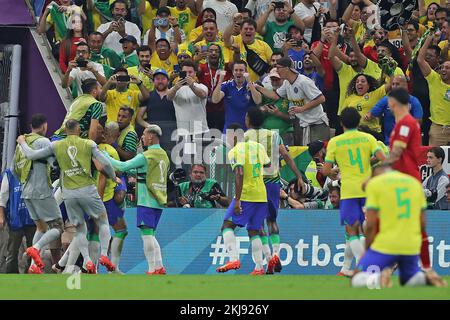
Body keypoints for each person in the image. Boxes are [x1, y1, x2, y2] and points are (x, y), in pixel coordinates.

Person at [17, 119, 117, 274]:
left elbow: (31, 155)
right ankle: (103, 255)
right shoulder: (88, 144)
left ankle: (88, 261)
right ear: (78, 130)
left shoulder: (56, 145)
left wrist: (23, 142)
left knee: (79, 229)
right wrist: (113, 177)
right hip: (87, 190)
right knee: (103, 221)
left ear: (65, 130)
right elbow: (105, 164)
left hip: (69, 194)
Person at [351, 163, 447, 288]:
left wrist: (368, 250)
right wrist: (426, 263)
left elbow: (370, 225)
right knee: (408, 280)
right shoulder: (415, 184)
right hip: (410, 246)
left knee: (356, 277)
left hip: (385, 245)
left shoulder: (376, 184)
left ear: (376, 174)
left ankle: (378, 279)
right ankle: (424, 279)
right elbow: (422, 225)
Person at [322, 107, 386, 269]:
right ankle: (355, 266)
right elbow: (383, 159)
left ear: (341, 122)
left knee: (352, 231)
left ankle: (365, 265)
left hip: (349, 191)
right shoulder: (368, 138)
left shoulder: (335, 142)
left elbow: (325, 170)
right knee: (365, 229)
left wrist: (334, 173)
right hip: (367, 189)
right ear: (359, 121)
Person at [244, 106, 304, 274]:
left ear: (248, 120)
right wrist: (298, 176)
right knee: (272, 220)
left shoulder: (245, 137)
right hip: (272, 182)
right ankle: (276, 254)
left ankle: (264, 262)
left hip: (255, 183)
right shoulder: (273, 135)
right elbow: (286, 155)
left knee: (256, 224)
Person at [106, 125, 170, 275]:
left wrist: (104, 156)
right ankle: (159, 266)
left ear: (151, 137)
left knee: (146, 235)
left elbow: (122, 165)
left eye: (144, 134)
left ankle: (151, 269)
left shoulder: (146, 156)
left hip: (146, 199)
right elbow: (149, 172)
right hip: (158, 199)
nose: (141, 137)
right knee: (151, 234)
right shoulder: (164, 155)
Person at [387, 88, 433, 272]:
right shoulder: (402, 125)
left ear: (393, 103)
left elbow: (397, 152)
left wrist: (379, 169)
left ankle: (423, 265)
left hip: (407, 181)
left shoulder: (406, 123)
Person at [216, 124, 271, 275]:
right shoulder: (258, 146)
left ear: (234, 135)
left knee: (227, 225)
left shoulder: (234, 151)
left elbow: (239, 173)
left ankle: (233, 258)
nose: (227, 139)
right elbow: (268, 164)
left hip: (246, 194)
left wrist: (238, 199)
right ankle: (259, 267)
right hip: (261, 194)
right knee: (254, 230)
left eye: (227, 135)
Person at [13, 114, 63, 274]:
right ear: (44, 126)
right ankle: (36, 248)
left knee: (41, 227)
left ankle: (34, 266)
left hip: (26, 192)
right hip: (41, 191)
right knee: (57, 226)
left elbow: (15, 169)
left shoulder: (22, 144)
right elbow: (54, 164)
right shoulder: (43, 141)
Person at [255, 56, 330, 146]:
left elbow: (321, 98)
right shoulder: (287, 83)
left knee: (319, 154)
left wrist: (301, 108)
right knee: (307, 154)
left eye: (278, 68)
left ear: (286, 69)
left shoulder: (303, 81)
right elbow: (275, 96)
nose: (277, 71)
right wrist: (257, 87)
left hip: (317, 123)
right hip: (304, 124)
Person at [95, 122, 128, 273]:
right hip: (106, 196)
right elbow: (118, 173)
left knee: (92, 232)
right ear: (114, 136)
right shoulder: (110, 151)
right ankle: (113, 268)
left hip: (91, 195)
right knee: (121, 230)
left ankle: (88, 267)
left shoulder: (93, 148)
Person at [366, 76, 423, 145]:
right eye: (393, 84)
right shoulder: (386, 100)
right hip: (389, 143)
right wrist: (368, 115)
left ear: (405, 86)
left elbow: (418, 122)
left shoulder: (414, 101)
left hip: (409, 142)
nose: (394, 87)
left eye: (397, 84)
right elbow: (371, 113)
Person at [0, 168, 35, 274]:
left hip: (32, 217)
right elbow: (3, 196)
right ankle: (11, 277)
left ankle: (30, 275)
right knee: (12, 252)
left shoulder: (34, 170)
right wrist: (1, 215)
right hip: (15, 218)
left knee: (33, 251)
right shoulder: (9, 173)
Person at [417, 34, 450, 147]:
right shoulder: (434, 79)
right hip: (438, 129)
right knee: (435, 161)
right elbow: (420, 60)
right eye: (442, 67)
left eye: (447, 67)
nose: (443, 69)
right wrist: (428, 40)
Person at [212, 60, 262, 132]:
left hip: (248, 131)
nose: (238, 72)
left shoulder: (252, 86)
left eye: (241, 70)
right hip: (229, 130)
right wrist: (220, 81)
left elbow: (258, 101)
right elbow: (215, 100)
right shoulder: (226, 85)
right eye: (236, 70)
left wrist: (250, 83)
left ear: (246, 72)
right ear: (232, 72)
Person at [137, 68, 177, 152]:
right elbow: (139, 118)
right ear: (153, 81)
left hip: (171, 134)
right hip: (153, 135)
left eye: (163, 79)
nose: (160, 81)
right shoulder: (148, 96)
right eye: (157, 79)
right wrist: (150, 126)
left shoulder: (175, 96)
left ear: (168, 81)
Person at [167, 59, 209, 139]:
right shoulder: (175, 88)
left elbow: (203, 95)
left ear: (195, 73)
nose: (187, 75)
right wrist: (175, 88)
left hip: (201, 130)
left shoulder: (201, 86)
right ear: (181, 73)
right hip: (183, 132)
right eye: (185, 72)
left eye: (190, 72)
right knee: (186, 152)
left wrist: (192, 86)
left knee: (202, 152)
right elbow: (168, 97)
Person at [223, 18, 273, 82]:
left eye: (251, 29)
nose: (248, 31)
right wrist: (234, 21)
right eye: (246, 29)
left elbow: (272, 64)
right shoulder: (236, 40)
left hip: (258, 85)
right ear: (240, 31)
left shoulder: (264, 45)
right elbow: (226, 38)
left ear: (255, 32)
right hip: (240, 84)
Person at [198, 43, 232, 131]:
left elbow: (235, 63)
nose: (213, 53)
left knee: (221, 139)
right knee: (208, 141)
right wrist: (196, 59)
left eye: (216, 51)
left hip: (223, 111)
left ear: (220, 54)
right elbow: (193, 70)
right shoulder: (202, 67)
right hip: (205, 111)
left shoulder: (226, 68)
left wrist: (236, 52)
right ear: (207, 54)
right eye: (211, 51)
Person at [260, 68, 293, 145]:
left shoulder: (289, 95)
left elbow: (293, 119)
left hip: (284, 134)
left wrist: (279, 114)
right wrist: (261, 110)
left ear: (284, 80)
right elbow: (257, 111)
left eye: (277, 80)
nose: (274, 82)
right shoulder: (266, 94)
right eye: (272, 80)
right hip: (266, 134)